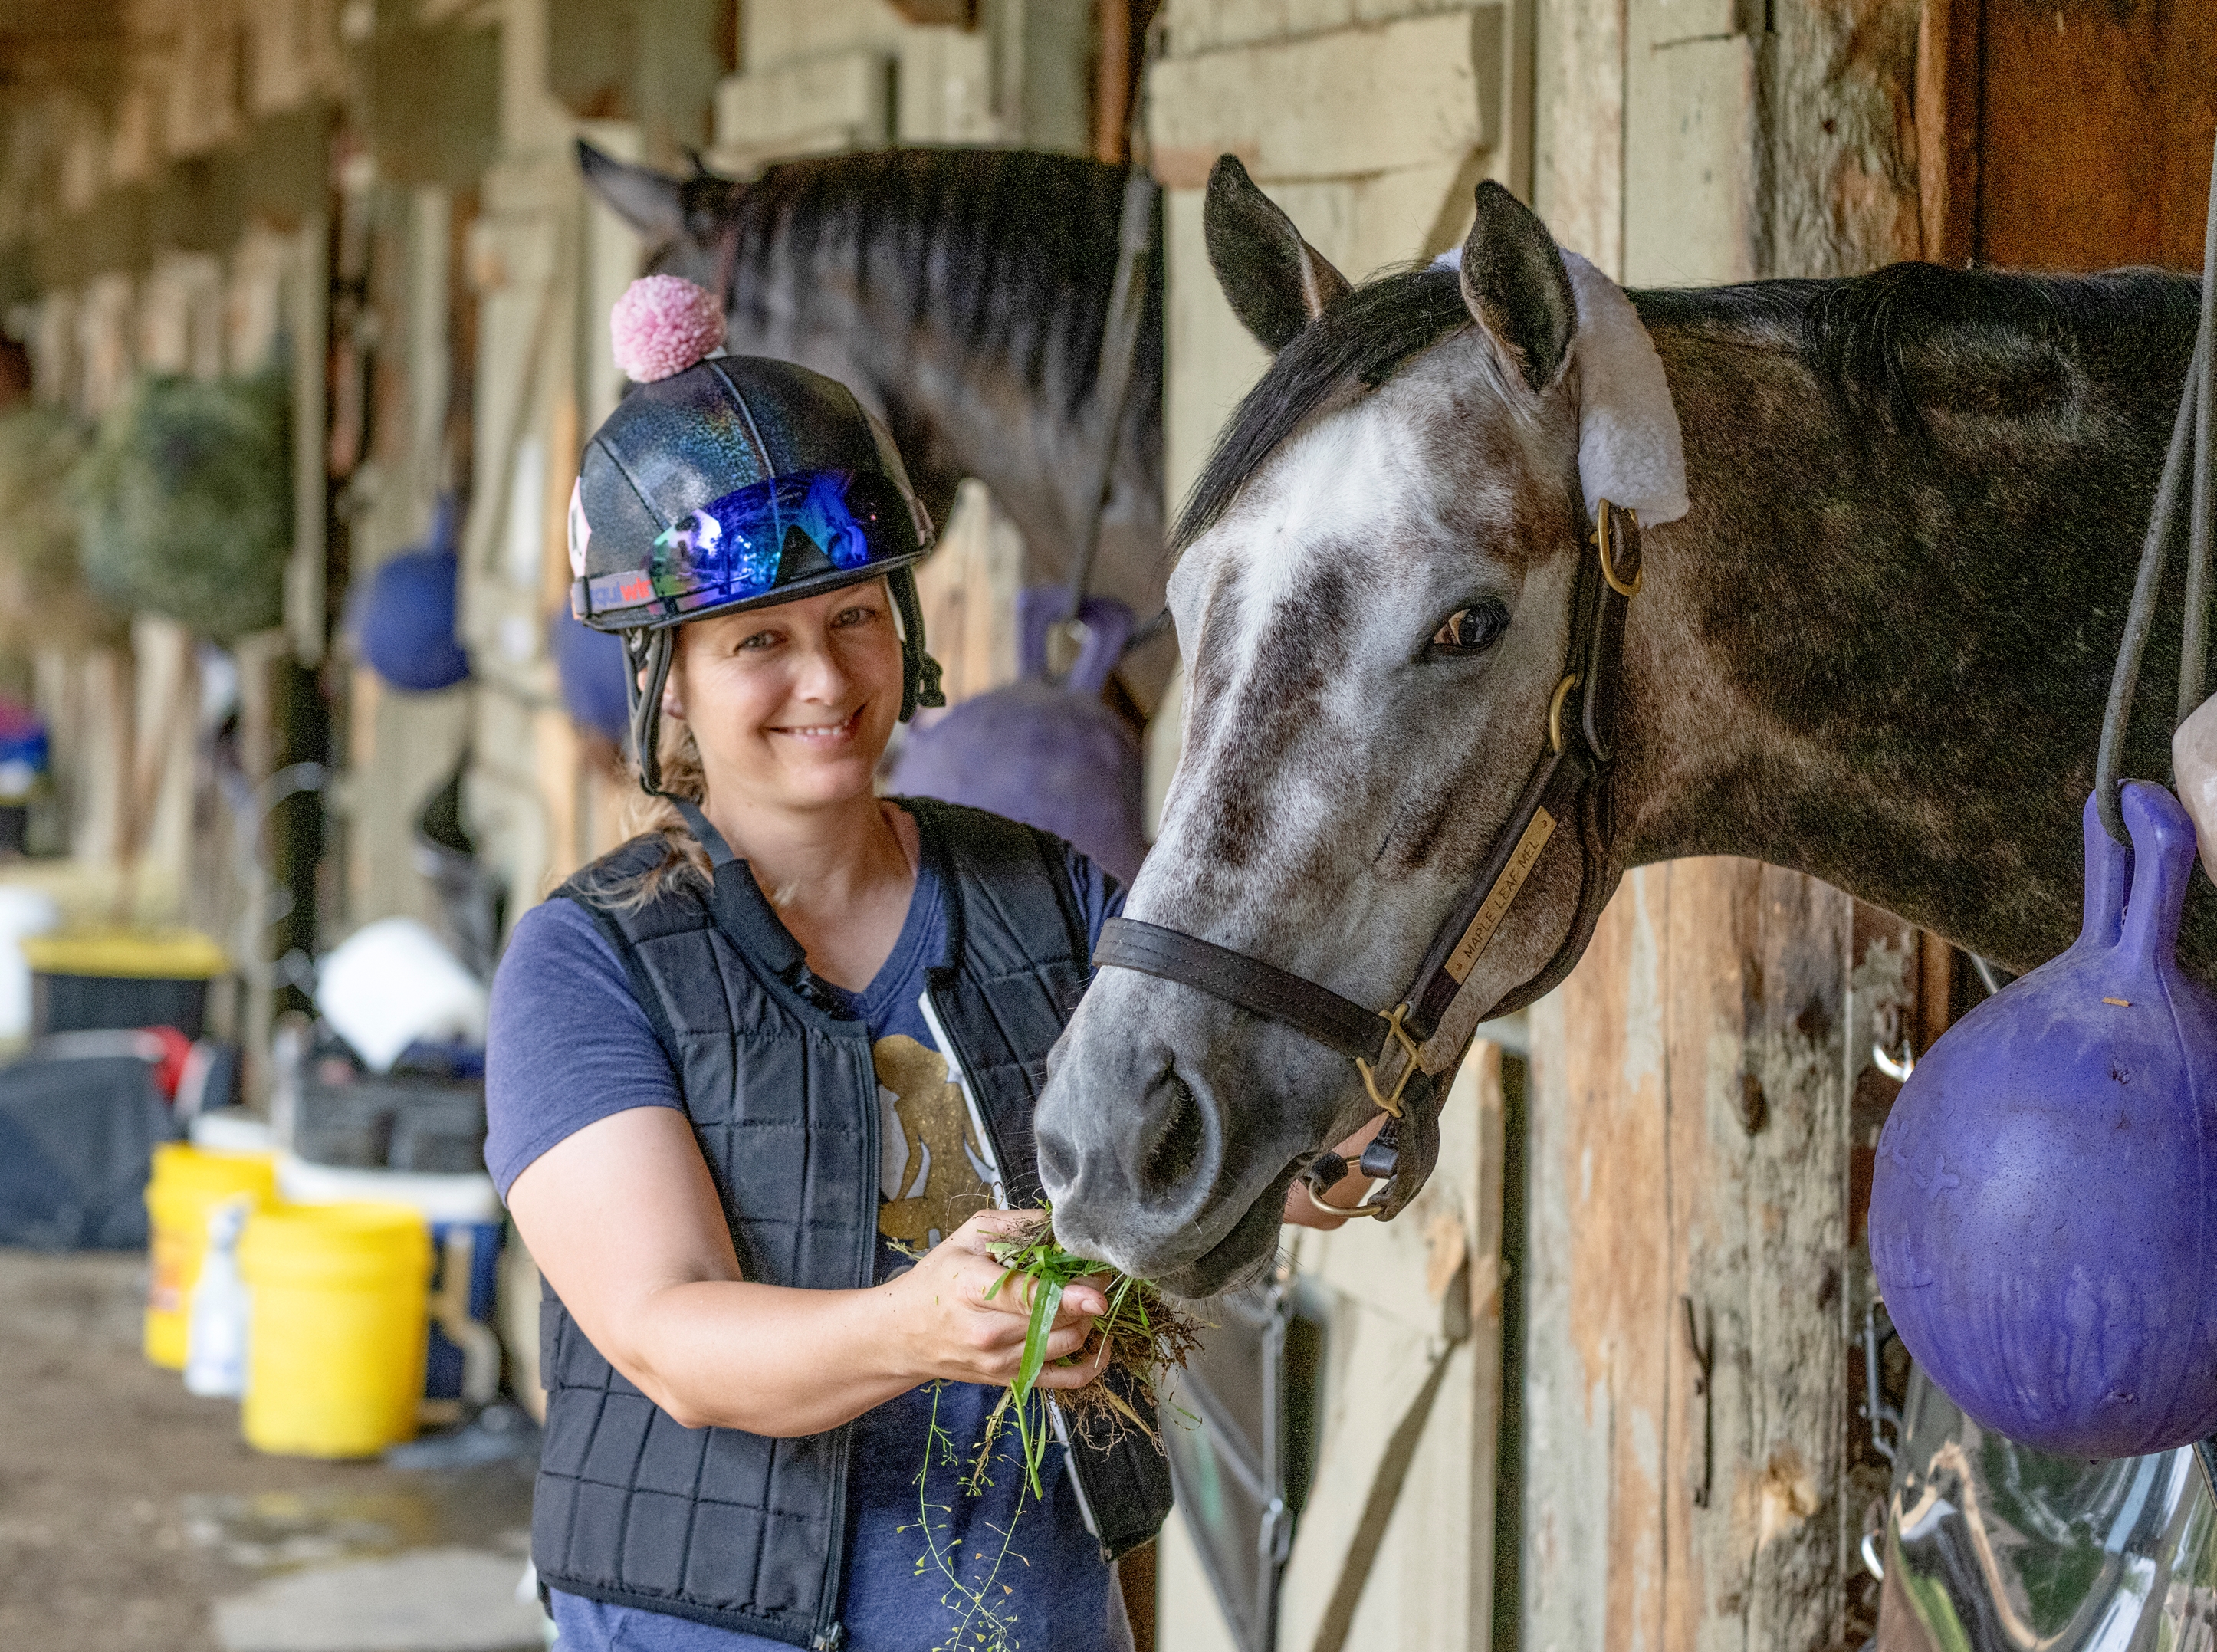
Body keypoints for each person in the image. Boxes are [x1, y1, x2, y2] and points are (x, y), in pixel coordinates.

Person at [486, 276, 1172, 1652]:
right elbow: (667, 1337)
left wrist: (1347, 1147)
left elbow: (1213, 1115)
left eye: (855, 615)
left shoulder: (1043, 894)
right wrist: (912, 1328)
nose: (827, 679)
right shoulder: (588, 963)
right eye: (759, 642)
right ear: (666, 677)